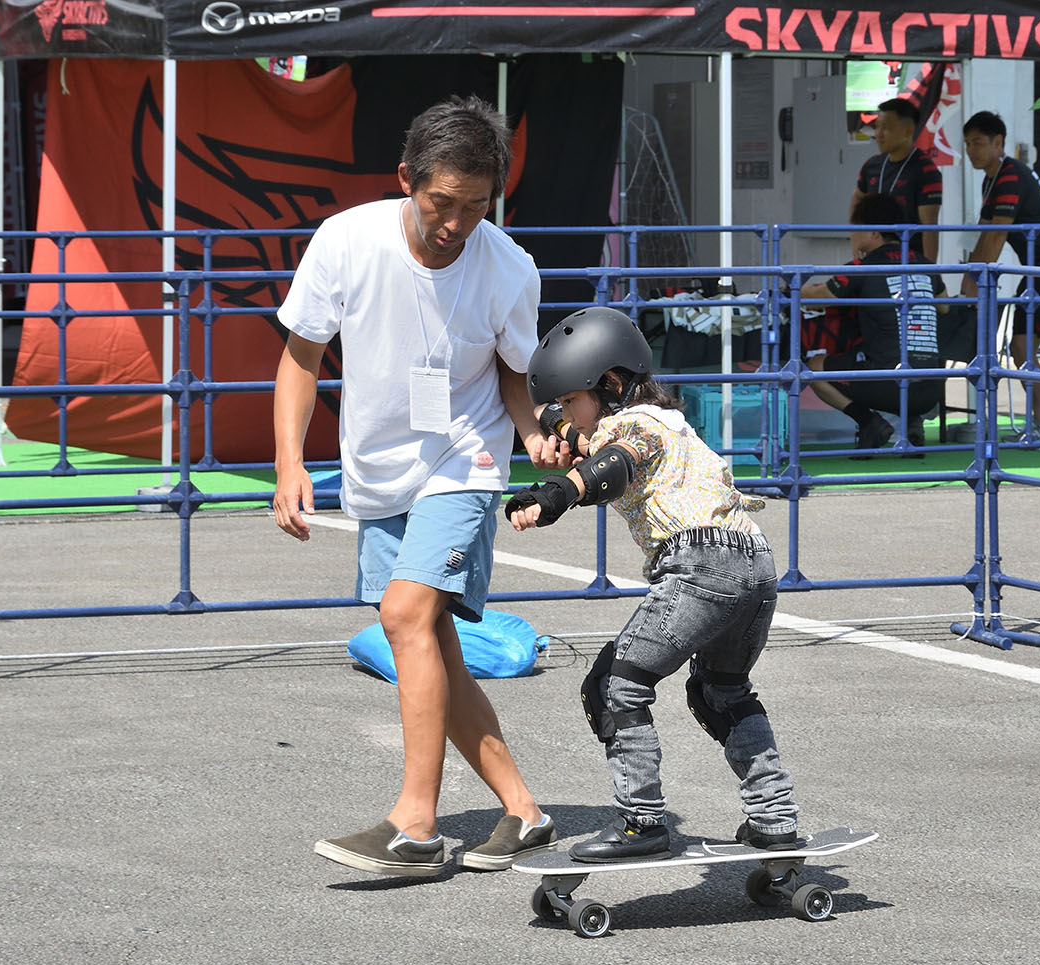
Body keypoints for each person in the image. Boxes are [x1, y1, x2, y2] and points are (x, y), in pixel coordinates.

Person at [272, 96, 573, 878]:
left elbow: (514, 376)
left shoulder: (509, 266)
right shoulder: (347, 241)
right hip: (378, 470)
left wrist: (535, 433)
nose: (457, 223)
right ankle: (525, 811)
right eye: (443, 202)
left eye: (476, 207)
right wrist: (289, 463)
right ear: (406, 179)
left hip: (464, 461)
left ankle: (416, 827)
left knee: (407, 617)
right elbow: (301, 357)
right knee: (431, 645)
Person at [505, 306, 800, 861]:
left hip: (700, 568)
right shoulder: (669, 422)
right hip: (756, 567)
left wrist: (552, 495)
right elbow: (574, 429)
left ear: (612, 384)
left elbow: (613, 462)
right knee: (721, 693)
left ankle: (642, 823)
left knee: (615, 688)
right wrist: (555, 423)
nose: (572, 416)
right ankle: (774, 819)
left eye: (575, 399)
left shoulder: (629, 427)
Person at [960, 111, 1040, 443]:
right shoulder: (992, 180)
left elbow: (997, 236)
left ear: (997, 143)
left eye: (978, 142)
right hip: (1032, 271)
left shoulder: (1012, 175)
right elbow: (984, 233)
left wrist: (975, 280)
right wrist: (969, 276)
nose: (971, 150)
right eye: (968, 143)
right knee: (1020, 346)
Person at [801, 193, 945, 455]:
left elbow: (818, 297)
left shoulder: (862, 267)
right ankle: (913, 422)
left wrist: (789, 287)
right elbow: (945, 306)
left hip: (888, 384)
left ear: (874, 233)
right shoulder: (926, 265)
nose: (851, 236)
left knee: (814, 368)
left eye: (855, 229)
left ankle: (869, 423)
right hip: (931, 389)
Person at [850, 97, 943, 265]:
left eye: (886, 128)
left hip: (909, 261)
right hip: (873, 259)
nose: (879, 134)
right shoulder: (871, 165)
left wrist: (930, 272)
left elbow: (929, 227)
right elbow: (857, 198)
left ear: (908, 131)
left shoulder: (926, 171)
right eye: (877, 127)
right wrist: (855, 236)